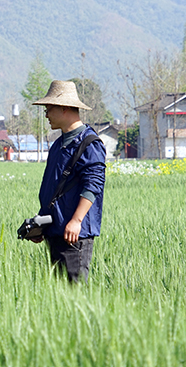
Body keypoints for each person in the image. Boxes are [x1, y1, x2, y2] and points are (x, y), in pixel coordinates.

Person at [30, 80, 106, 282]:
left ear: (64, 108)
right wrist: (42, 223)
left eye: (48, 109)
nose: (46, 115)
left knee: (75, 292)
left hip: (74, 235)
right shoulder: (58, 144)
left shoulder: (89, 143)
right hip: (56, 231)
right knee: (59, 294)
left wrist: (76, 221)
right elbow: (53, 188)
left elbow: (93, 185)